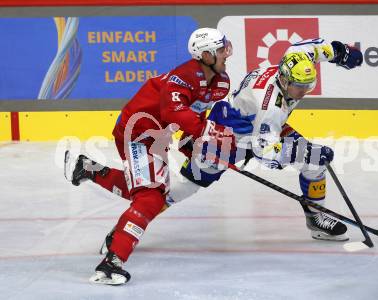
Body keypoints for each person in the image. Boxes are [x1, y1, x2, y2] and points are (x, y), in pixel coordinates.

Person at [66, 37, 362, 282]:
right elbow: (265, 154)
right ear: (284, 76)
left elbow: (322, 49)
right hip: (229, 139)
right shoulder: (268, 107)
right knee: (169, 194)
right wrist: (302, 151)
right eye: (298, 88)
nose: (302, 93)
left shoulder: (296, 58)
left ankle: (314, 216)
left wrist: (343, 53)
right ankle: (117, 215)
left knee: (312, 161)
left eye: (307, 87)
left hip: (249, 126)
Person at [65, 27, 248, 285]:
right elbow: (175, 112)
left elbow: (195, 118)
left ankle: (91, 169)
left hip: (158, 135)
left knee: (148, 194)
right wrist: (206, 134)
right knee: (150, 198)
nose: (225, 54)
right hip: (136, 131)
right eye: (219, 50)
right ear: (205, 55)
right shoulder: (182, 78)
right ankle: (111, 262)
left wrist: (194, 146)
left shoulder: (220, 83)